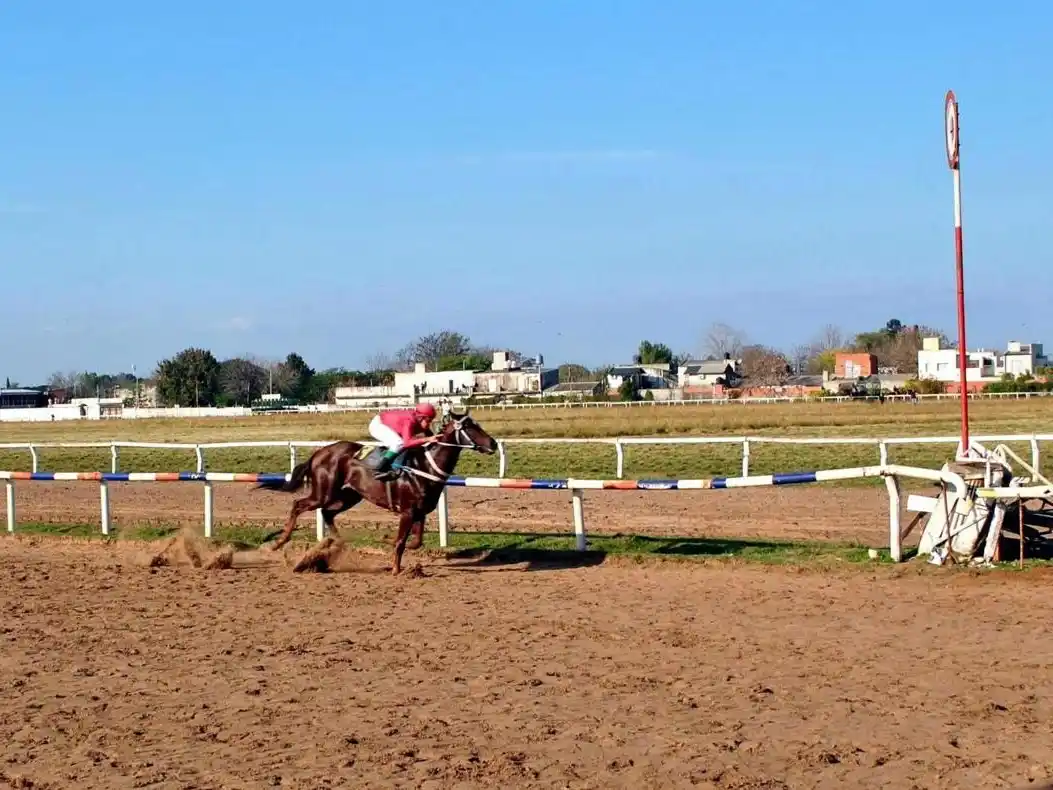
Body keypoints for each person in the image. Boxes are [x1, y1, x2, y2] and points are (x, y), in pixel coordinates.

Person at [366, 402, 439, 478]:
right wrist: (427, 439)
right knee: (399, 443)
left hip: (388, 423)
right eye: (428, 421)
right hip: (377, 425)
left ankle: (397, 465)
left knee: (406, 444)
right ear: (421, 417)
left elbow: (430, 435)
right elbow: (407, 443)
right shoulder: (409, 421)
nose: (429, 424)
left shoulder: (417, 419)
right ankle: (380, 469)